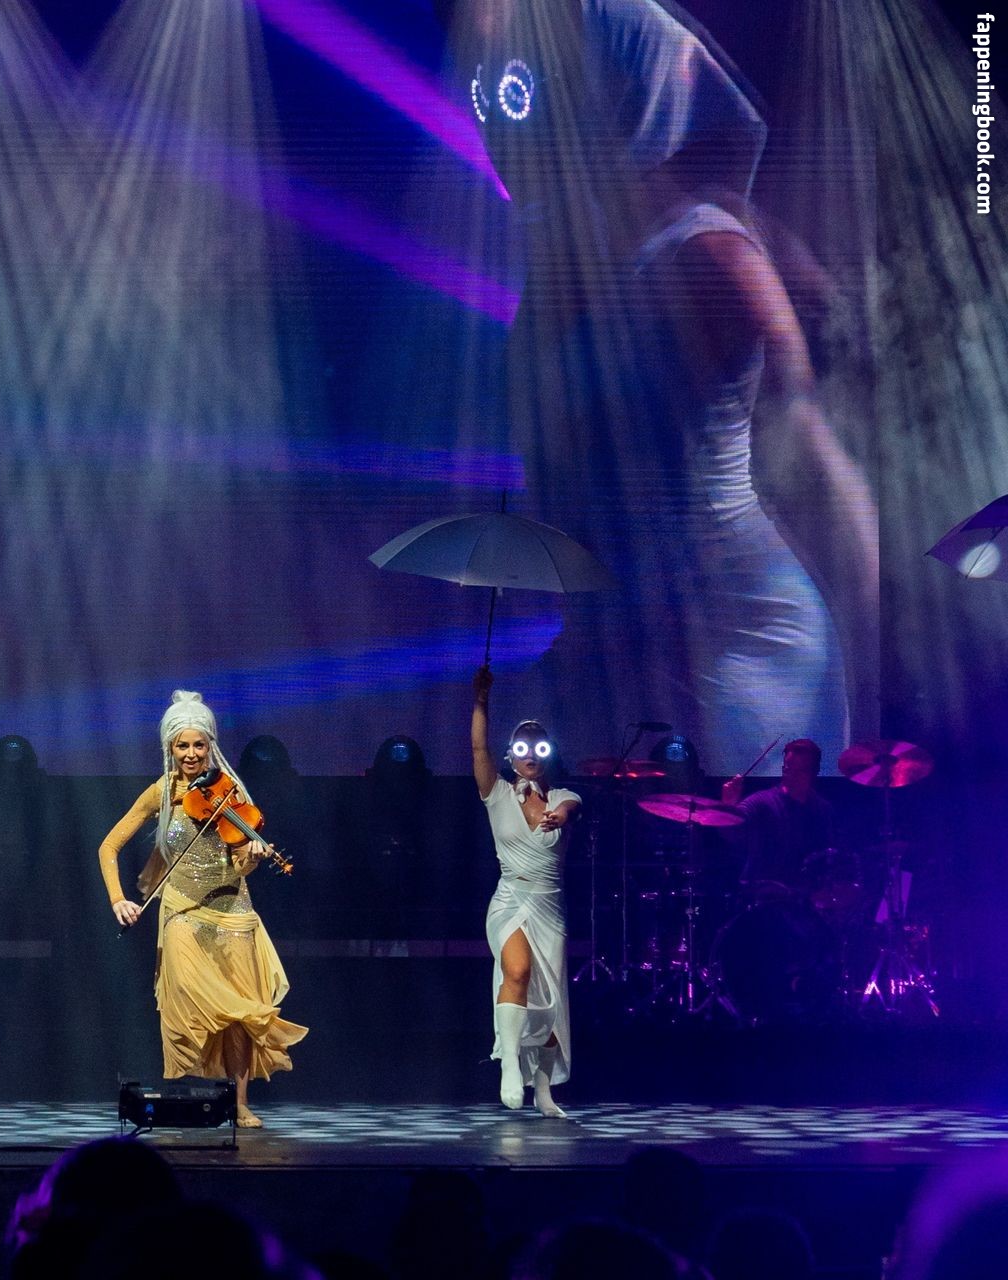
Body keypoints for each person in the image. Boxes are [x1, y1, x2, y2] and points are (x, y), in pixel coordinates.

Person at [441, 0, 879, 770]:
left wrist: (873, 705)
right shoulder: (551, 286)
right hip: (619, 652)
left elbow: (818, 461)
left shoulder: (708, 253)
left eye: (530, 85)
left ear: (619, 91)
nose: (505, 116)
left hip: (743, 647)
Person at [97, 691, 306, 1128]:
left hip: (232, 909)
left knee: (241, 1013)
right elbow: (108, 846)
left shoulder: (231, 792)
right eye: (182, 746)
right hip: (181, 908)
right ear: (169, 748)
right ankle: (193, 1092)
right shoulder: (160, 792)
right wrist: (119, 898)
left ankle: (240, 1103)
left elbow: (240, 863)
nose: (191, 754)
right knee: (189, 998)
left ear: (211, 745)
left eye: (199, 745)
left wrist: (252, 857)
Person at [472, 666, 577, 1116]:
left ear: (548, 754)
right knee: (516, 970)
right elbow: (478, 748)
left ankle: (544, 1089)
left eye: (538, 747)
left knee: (549, 1002)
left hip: (548, 907)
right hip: (509, 900)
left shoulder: (563, 797)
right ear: (511, 755)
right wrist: (481, 700)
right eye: (521, 747)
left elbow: (571, 808)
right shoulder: (496, 793)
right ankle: (510, 1066)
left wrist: (561, 815)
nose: (530, 754)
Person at [720, 738, 834, 890]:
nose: (790, 774)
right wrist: (728, 805)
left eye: (799, 770)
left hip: (803, 893)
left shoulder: (822, 809)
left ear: (814, 772)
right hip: (761, 894)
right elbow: (730, 832)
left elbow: (826, 855)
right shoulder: (761, 802)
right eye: (787, 768)